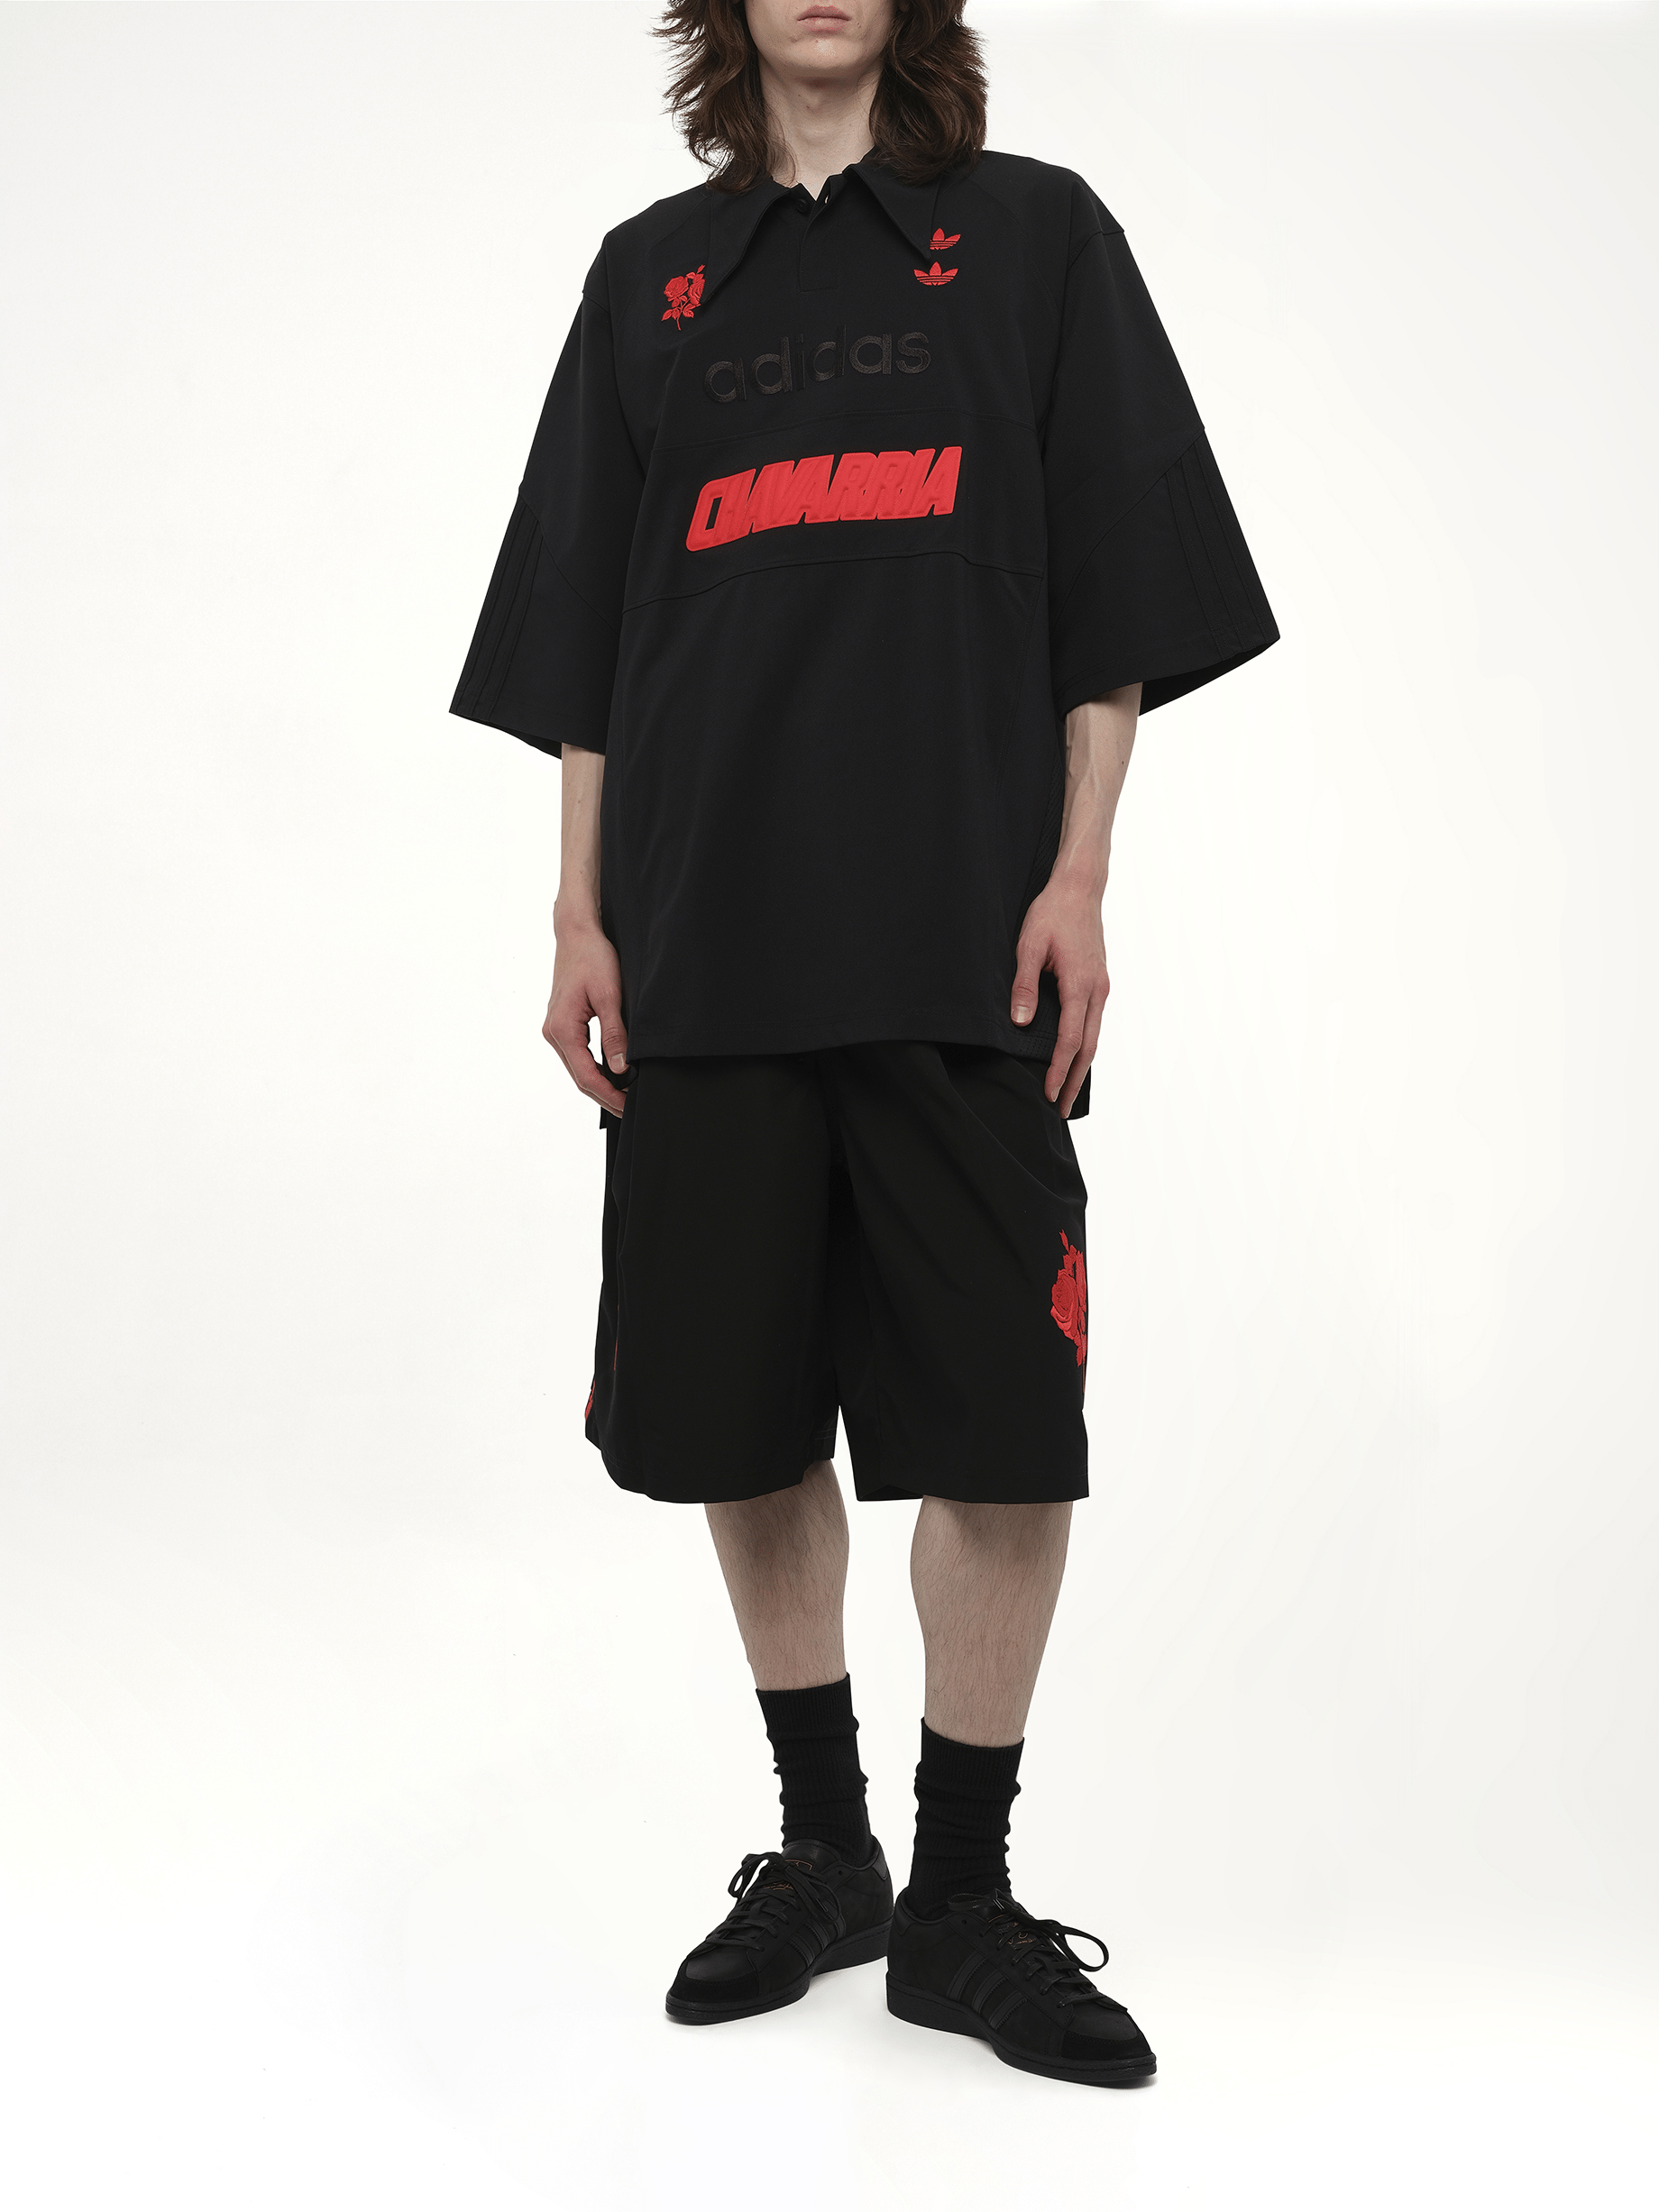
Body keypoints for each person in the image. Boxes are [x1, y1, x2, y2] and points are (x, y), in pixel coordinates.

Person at [451, 0, 1275, 2088]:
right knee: (733, 1420)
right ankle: (826, 1854)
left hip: (957, 937)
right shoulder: (647, 279)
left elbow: (1114, 597)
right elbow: (586, 638)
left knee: (1000, 1419)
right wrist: (576, 910)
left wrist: (1078, 873)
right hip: (704, 937)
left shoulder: (1037, 240)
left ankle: (962, 1903)